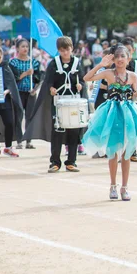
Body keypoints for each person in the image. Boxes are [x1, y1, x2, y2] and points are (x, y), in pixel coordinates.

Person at [83, 45, 137, 201]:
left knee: (127, 153)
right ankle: (113, 185)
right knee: (113, 152)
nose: (120, 59)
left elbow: (135, 96)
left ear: (128, 59)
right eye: (117, 56)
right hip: (112, 114)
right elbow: (86, 78)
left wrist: (136, 94)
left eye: (123, 56)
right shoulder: (108, 74)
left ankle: (125, 187)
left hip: (128, 114)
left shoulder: (133, 76)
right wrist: (101, 65)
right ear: (113, 59)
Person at [23, 36, 87, 173]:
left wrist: (80, 86)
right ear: (58, 50)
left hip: (74, 101)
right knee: (57, 131)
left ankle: (71, 161)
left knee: (74, 131)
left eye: (67, 49)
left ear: (72, 49)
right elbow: (48, 82)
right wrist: (51, 89)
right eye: (62, 50)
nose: (65, 53)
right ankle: (55, 162)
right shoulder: (54, 63)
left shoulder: (77, 63)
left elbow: (82, 80)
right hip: (58, 102)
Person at [0, 46, 24, 158]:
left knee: (9, 123)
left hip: (5, 101)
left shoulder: (6, 67)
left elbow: (12, 84)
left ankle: (8, 147)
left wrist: (7, 91)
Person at [9, 38, 41, 150]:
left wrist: (35, 89)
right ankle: (19, 140)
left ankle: (28, 140)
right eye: (22, 46)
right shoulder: (13, 62)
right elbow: (14, 78)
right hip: (18, 93)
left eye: (27, 46)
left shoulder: (34, 62)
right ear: (17, 48)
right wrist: (26, 73)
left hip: (30, 93)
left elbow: (38, 78)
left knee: (30, 116)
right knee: (18, 116)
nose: (25, 49)